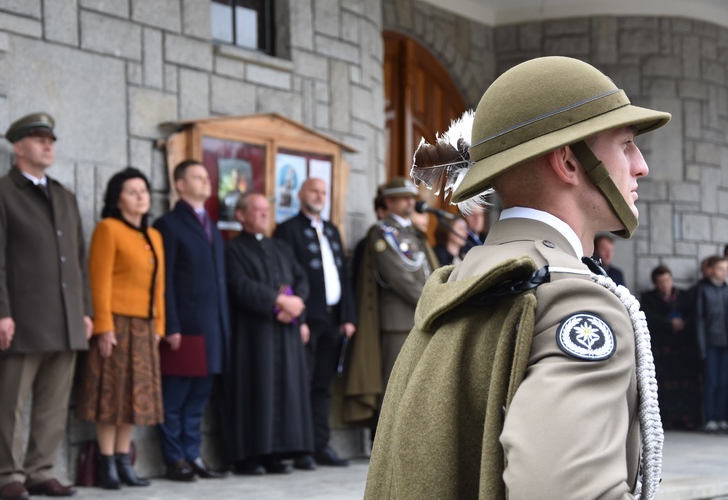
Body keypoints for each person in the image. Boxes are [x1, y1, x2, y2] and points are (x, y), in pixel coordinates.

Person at [365, 56, 671, 499]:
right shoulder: (575, 304)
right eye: (625, 144)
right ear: (568, 162)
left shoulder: (461, 279)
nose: (640, 165)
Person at [0, 112, 93, 500]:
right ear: (18, 146)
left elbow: (79, 260)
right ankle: (7, 474)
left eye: (51, 140)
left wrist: (86, 311)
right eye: (39, 138)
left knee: (53, 402)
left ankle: (41, 470)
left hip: (66, 318)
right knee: (12, 404)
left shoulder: (64, 196)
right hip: (21, 318)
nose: (49, 145)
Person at [76, 167, 165, 490]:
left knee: (134, 399)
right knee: (111, 395)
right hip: (115, 324)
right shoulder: (108, 229)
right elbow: (97, 281)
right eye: (132, 191)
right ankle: (106, 464)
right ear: (117, 199)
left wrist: (159, 325)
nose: (141, 197)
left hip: (144, 326)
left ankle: (125, 462)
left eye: (144, 190)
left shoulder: (154, 236)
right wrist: (103, 325)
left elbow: (159, 288)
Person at [219, 193, 314, 475]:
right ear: (240, 216)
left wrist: (296, 309)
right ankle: (250, 457)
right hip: (254, 334)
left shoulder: (281, 247)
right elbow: (239, 285)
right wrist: (277, 301)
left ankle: (277, 453)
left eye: (266, 210)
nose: (263, 214)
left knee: (285, 391)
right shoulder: (233, 249)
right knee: (256, 390)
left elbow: (301, 280)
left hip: (286, 332)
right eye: (256, 210)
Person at [153, 160, 230, 481]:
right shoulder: (169, 224)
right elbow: (165, 281)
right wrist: (171, 324)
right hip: (184, 329)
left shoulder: (210, 224)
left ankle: (193, 455)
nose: (206, 181)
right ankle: (174, 460)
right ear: (180, 185)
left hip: (212, 328)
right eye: (197, 176)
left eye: (206, 176)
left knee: (198, 399)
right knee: (175, 398)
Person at [274, 178, 357, 470]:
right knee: (303, 385)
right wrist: (301, 319)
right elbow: (285, 278)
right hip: (308, 321)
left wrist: (348, 317)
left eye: (323, 192)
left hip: (334, 321)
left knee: (323, 386)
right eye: (314, 191)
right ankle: (301, 449)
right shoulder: (287, 230)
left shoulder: (332, 230)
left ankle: (320, 445)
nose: (319, 196)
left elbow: (343, 276)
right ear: (300, 194)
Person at [343, 177, 439, 425]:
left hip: (420, 318)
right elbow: (400, 278)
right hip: (398, 322)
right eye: (404, 198)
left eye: (412, 197)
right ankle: (385, 448)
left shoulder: (412, 232)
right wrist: (434, 302)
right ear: (389, 202)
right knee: (394, 388)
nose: (410, 201)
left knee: (416, 389)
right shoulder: (383, 233)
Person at [640, 265, 701, 430]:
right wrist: (668, 323)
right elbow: (648, 317)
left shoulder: (684, 296)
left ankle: (687, 418)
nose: (665, 284)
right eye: (661, 281)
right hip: (663, 348)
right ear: (656, 283)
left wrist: (682, 323)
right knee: (664, 385)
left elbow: (693, 314)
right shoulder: (649, 298)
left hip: (683, 348)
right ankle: (667, 419)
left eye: (667, 280)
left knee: (686, 384)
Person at [694, 255, 728, 433]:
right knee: (712, 381)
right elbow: (699, 320)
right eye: (721, 269)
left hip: (725, 344)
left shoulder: (726, 289)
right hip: (710, 343)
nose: (725, 272)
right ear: (712, 270)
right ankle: (710, 418)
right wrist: (701, 347)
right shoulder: (703, 289)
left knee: (724, 382)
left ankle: (722, 417)